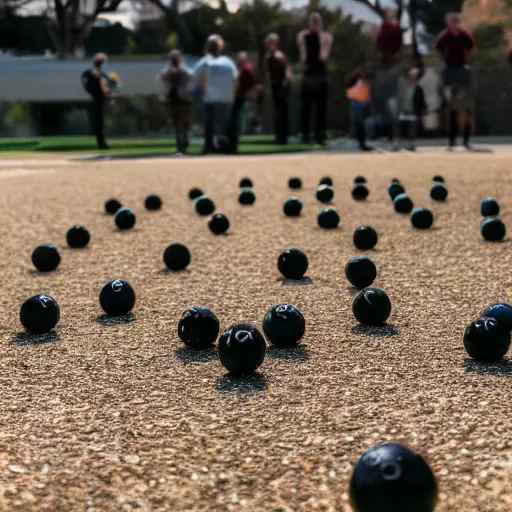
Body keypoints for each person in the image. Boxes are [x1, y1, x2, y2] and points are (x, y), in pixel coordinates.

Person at [434, 12, 475, 150]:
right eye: (451, 21)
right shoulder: (444, 35)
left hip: (462, 70)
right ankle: (451, 141)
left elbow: (470, 45)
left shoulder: (463, 34)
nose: (454, 23)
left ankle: (466, 140)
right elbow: (437, 47)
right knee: (451, 107)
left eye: (456, 21)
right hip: (450, 70)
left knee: (465, 107)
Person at [192, 34, 238, 154]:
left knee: (210, 123)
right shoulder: (228, 62)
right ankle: (227, 147)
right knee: (224, 123)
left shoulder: (205, 62)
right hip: (226, 97)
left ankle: (210, 146)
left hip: (211, 97)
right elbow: (235, 78)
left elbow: (195, 77)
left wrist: (199, 89)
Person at [297, 12, 334, 145]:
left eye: (317, 22)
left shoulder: (326, 37)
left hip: (320, 72)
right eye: (313, 22)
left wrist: (318, 35)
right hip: (308, 72)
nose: (315, 25)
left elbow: (323, 55)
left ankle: (320, 135)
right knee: (306, 107)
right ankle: (305, 135)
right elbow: (303, 52)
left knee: (321, 107)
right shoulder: (303, 36)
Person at [159, 50, 193, 154]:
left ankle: (185, 140)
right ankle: (180, 144)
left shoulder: (184, 68)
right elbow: (162, 77)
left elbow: (190, 76)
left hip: (183, 98)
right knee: (176, 122)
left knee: (184, 121)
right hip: (173, 98)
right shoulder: (168, 69)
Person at [265, 34, 292, 145]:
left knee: (282, 112)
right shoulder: (268, 57)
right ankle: (278, 136)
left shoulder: (280, 56)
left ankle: (283, 138)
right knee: (277, 113)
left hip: (282, 86)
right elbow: (268, 73)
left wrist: (286, 82)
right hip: (275, 86)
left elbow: (287, 70)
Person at [229, 52, 256, 153]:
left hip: (241, 98)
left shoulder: (246, 70)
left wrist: (249, 94)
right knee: (234, 120)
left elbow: (251, 84)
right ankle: (232, 144)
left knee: (235, 120)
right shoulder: (243, 69)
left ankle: (233, 145)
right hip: (239, 97)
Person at [82, 53, 110, 150]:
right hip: (95, 99)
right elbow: (89, 85)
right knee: (98, 122)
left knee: (100, 122)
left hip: (99, 99)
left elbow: (105, 87)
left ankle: (102, 142)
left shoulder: (101, 74)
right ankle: (100, 143)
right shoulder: (92, 73)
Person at [396, 68, 427, 151]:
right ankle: (397, 143)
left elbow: (421, 100)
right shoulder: (403, 87)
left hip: (413, 110)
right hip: (403, 110)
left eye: (414, 77)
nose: (413, 78)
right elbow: (399, 98)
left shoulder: (419, 88)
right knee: (399, 127)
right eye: (411, 76)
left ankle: (411, 144)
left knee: (412, 127)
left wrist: (422, 110)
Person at [346, 67, 372, 151]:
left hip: (361, 105)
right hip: (356, 105)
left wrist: (368, 102)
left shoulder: (364, 83)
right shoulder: (354, 82)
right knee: (359, 124)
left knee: (360, 124)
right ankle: (361, 142)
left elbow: (366, 94)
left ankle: (361, 142)